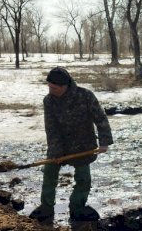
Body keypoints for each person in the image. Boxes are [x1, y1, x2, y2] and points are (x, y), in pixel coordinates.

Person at [31, 66, 113, 222]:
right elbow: (51, 128)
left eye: (54, 87)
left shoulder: (85, 96)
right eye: (49, 86)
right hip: (59, 145)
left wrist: (104, 142)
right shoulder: (49, 101)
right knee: (49, 173)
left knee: (83, 178)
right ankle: (46, 207)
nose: (51, 90)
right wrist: (56, 154)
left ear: (64, 86)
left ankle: (77, 207)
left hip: (83, 145)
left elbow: (100, 119)